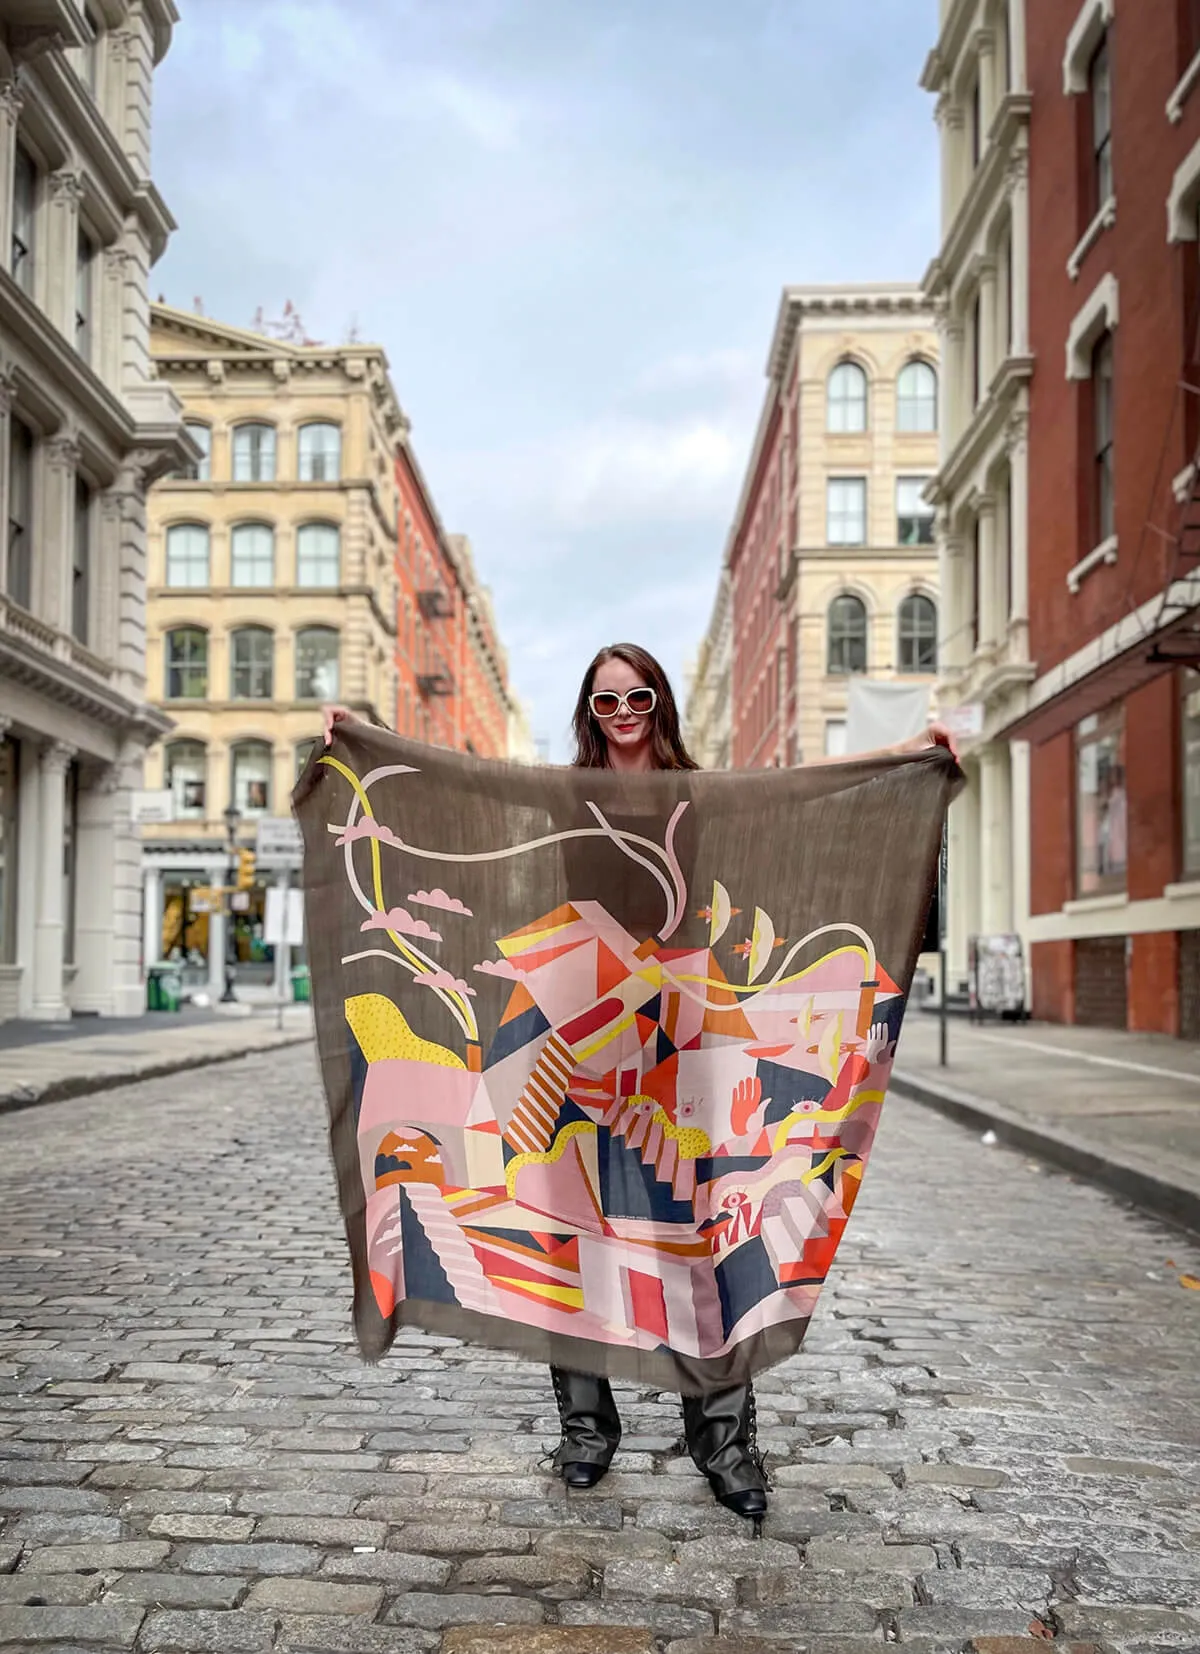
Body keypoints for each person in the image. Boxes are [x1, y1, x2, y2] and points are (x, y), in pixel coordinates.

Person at [322, 645, 954, 1521]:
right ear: (590, 705)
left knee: (702, 1240)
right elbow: (467, 779)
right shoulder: (566, 792)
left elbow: (801, 787)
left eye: (638, 693)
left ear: (660, 701)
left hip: (684, 1035)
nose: (624, 708)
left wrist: (908, 755)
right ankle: (587, 1432)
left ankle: (725, 1442)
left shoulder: (703, 793)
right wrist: (362, 739)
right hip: (569, 1024)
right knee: (566, 1229)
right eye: (606, 696)